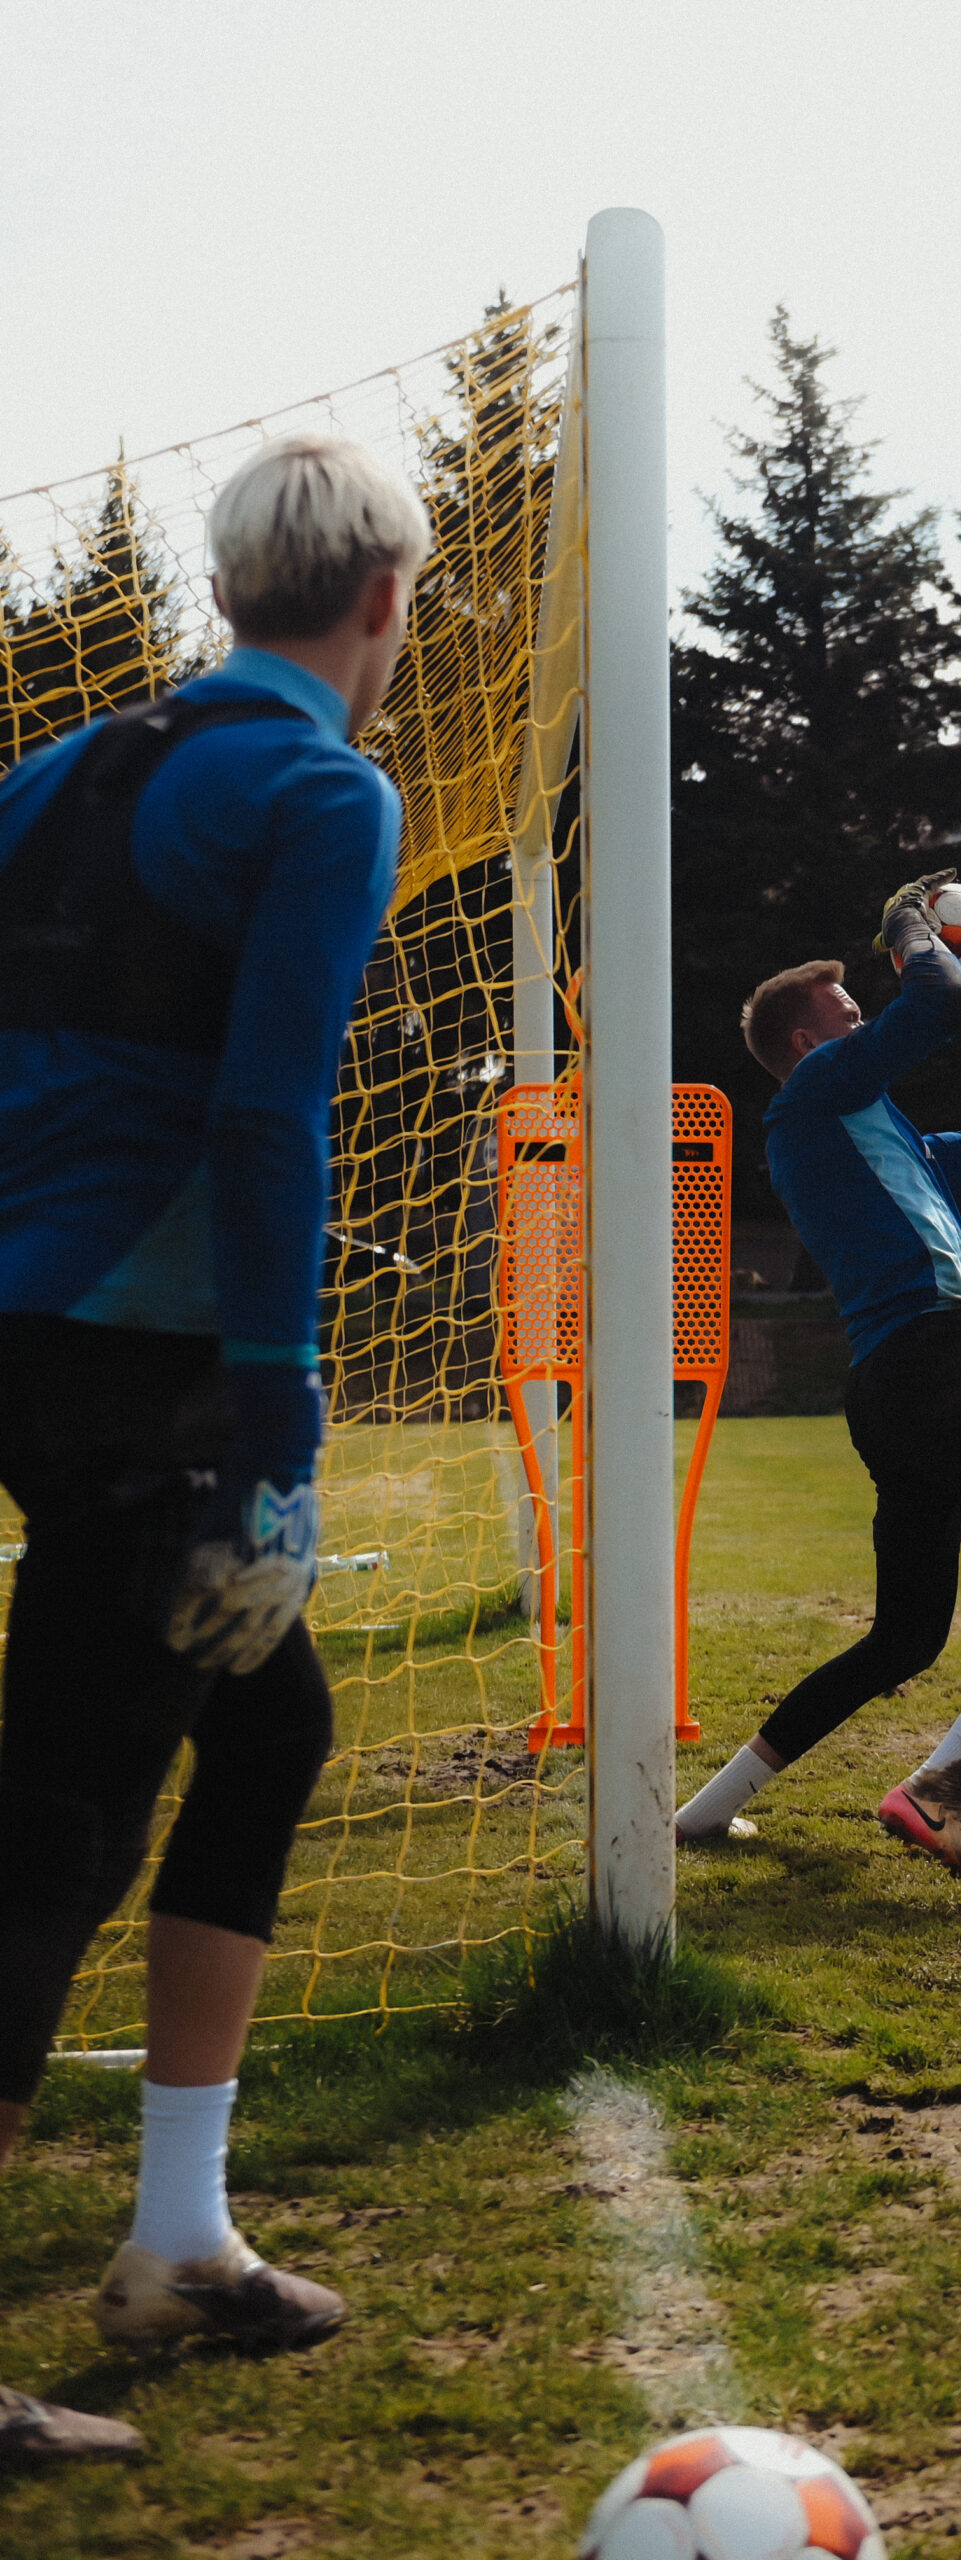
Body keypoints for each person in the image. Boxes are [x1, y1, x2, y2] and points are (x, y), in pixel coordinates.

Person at [0, 434, 428, 2463]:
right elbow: (269, 1117)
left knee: (268, 1729)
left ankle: (182, 2235)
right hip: (138, 1357)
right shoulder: (324, 791)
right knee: (59, 1825)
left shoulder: (51, 771)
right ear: (385, 601)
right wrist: (279, 1423)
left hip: (25, 1328)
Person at [674, 872, 961, 1904]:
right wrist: (907, 924)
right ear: (807, 1043)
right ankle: (940, 1786)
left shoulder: (874, 1130)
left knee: (905, 1637)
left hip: (903, 1384)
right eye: (850, 1015)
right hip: (940, 1366)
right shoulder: (812, 1098)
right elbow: (927, 1000)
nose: (868, 1023)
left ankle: (704, 1810)